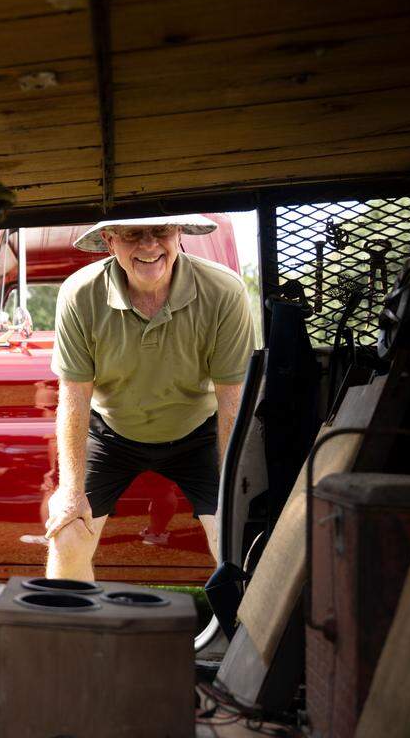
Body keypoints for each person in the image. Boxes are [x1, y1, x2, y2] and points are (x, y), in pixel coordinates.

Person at [44, 215, 254, 581]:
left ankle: (245, 634)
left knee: (234, 534)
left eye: (160, 231)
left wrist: (231, 492)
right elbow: (74, 395)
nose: (149, 245)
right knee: (68, 531)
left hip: (199, 431)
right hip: (111, 431)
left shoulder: (223, 291)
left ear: (178, 234)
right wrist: (71, 492)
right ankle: (72, 634)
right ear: (109, 241)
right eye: (131, 234)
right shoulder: (80, 293)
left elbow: (231, 399)